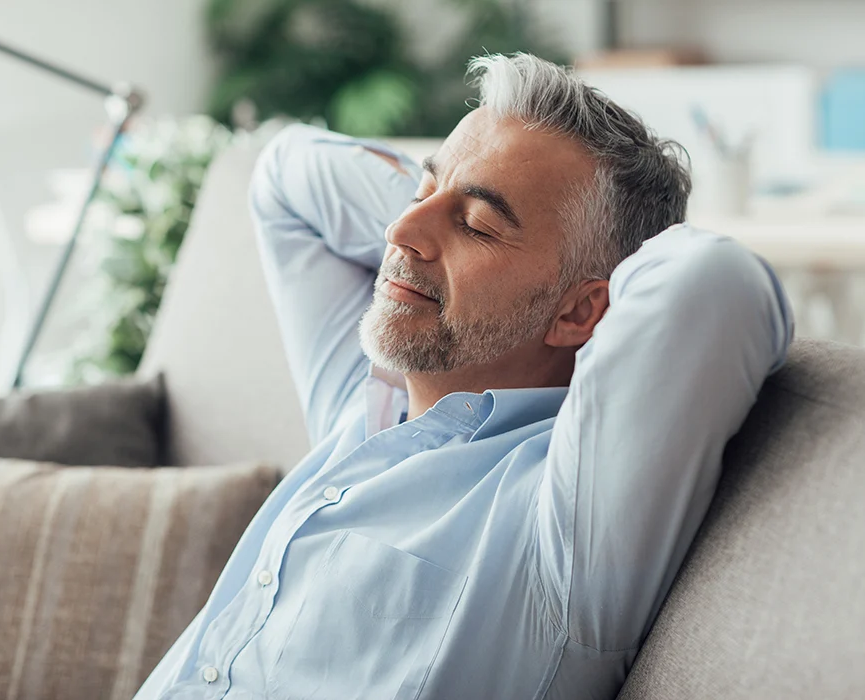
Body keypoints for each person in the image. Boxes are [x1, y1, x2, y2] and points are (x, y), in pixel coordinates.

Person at [134, 53, 793, 700]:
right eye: (421, 190)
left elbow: (712, 283)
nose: (397, 230)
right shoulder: (365, 405)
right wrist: (455, 201)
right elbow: (285, 174)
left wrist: (602, 262)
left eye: (477, 225)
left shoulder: (563, 530)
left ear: (582, 309)